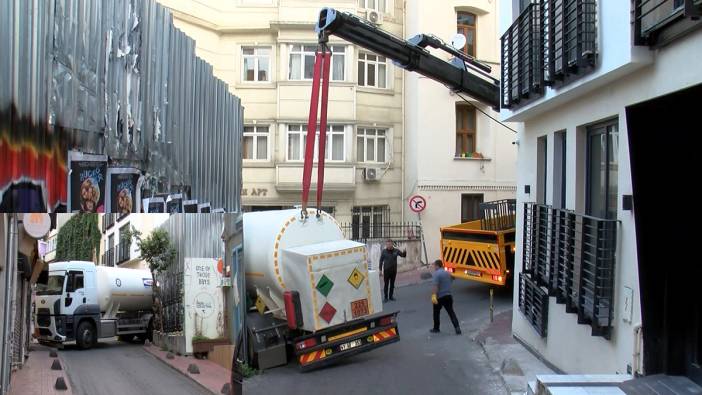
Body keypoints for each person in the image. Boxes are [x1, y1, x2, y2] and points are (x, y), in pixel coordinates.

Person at [430, 259, 461, 335]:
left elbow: (435, 286)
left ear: (437, 265)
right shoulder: (447, 272)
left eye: (434, 265)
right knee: (451, 312)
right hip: (448, 296)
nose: (434, 267)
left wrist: (434, 295)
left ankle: (436, 328)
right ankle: (457, 328)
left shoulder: (436, 274)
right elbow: (453, 278)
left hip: (440, 297)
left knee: (436, 313)